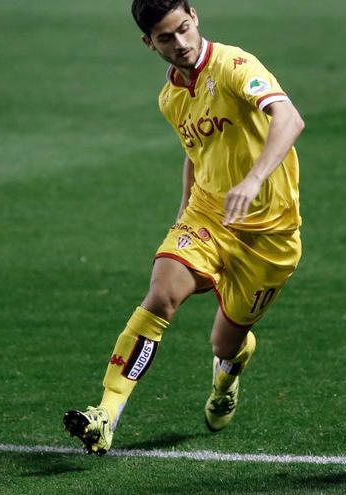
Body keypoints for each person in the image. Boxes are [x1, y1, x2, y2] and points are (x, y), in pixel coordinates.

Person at [63, 0, 304, 455]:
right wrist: (182, 216)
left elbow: (290, 119)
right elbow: (196, 157)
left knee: (226, 341)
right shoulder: (171, 97)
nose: (181, 44)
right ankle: (106, 415)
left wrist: (253, 181)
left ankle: (226, 378)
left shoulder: (236, 65)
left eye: (184, 29)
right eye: (165, 38)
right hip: (208, 216)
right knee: (161, 294)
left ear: (195, 17)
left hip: (270, 235)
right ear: (148, 43)